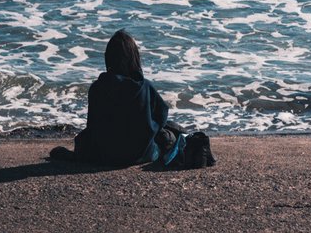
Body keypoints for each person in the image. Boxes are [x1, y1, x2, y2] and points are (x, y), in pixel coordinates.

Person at [49, 29, 214, 169]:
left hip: (104, 155)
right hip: (141, 155)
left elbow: (93, 125)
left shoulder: (97, 88)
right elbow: (162, 116)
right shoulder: (145, 87)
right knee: (167, 133)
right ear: (135, 59)